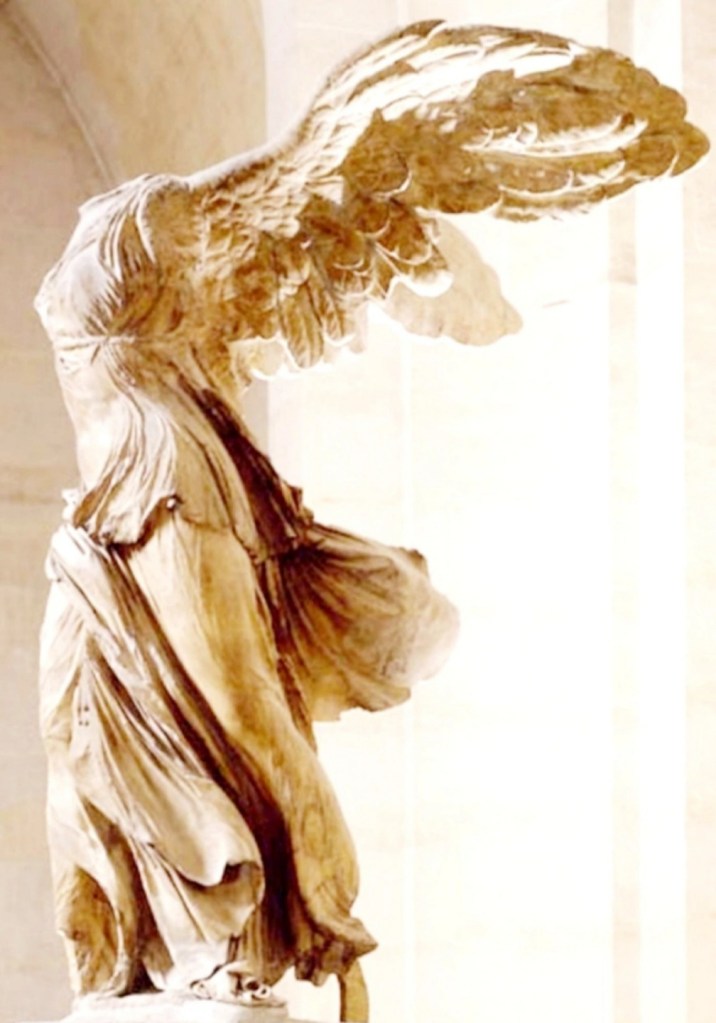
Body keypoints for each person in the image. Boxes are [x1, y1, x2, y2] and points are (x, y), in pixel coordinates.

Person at [34, 19, 706, 1019]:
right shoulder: (131, 239)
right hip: (102, 529)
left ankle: (303, 913)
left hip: (172, 490)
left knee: (236, 709)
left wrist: (360, 149)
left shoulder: (156, 235)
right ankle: (154, 947)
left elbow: (310, 175)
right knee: (85, 735)